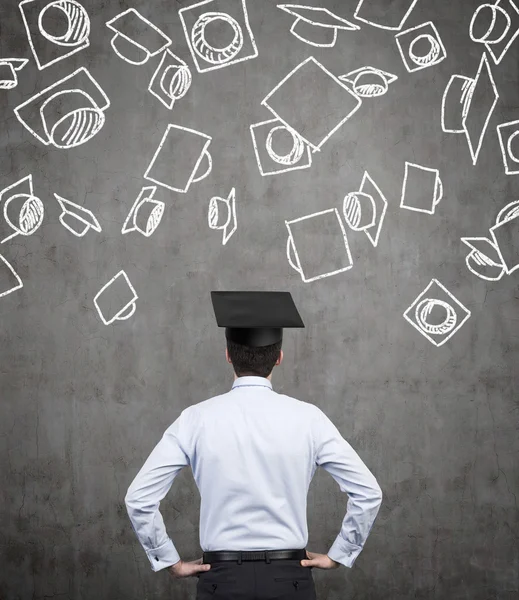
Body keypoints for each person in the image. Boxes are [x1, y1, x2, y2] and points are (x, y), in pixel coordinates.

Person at [124, 291, 383, 599]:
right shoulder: (309, 418)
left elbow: (138, 499)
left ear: (228, 354)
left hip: (222, 580)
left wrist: (168, 560)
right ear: (279, 357)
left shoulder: (195, 419)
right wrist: (340, 553)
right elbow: (368, 492)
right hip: (290, 580)